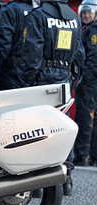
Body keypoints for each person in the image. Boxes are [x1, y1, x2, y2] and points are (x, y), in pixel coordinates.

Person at [21, 0, 84, 195]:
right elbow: (80, 54)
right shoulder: (74, 18)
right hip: (64, 78)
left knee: (38, 129)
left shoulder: (38, 15)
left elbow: (32, 52)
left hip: (42, 78)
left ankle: (38, 182)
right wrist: (73, 79)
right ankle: (66, 178)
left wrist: (29, 81)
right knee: (62, 127)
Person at [73, 0, 97, 167]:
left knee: (85, 117)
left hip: (90, 82)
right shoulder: (86, 29)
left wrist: (84, 79)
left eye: (90, 12)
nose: (86, 15)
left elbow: (93, 58)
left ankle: (82, 155)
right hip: (90, 81)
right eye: (84, 11)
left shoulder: (93, 32)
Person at [0, 0, 34, 90]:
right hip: (31, 71)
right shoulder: (37, 10)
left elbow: (3, 43)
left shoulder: (11, 9)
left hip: (11, 72)